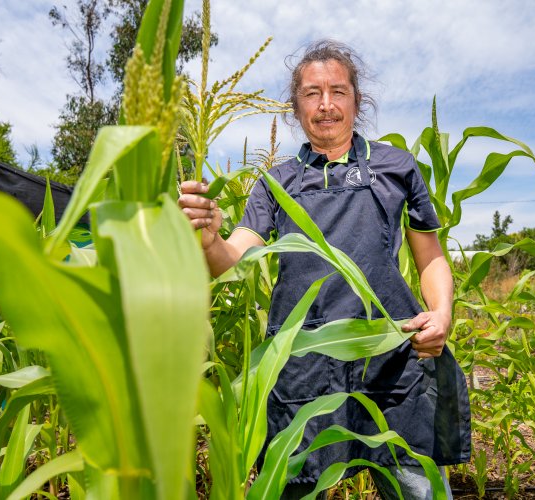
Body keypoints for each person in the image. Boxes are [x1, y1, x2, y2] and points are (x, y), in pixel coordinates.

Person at [178, 40, 471, 499]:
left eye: (338, 91)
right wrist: (210, 235)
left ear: (357, 99)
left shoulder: (397, 168)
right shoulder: (277, 181)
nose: (327, 105)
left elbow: (429, 256)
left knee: (418, 488)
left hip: (390, 356)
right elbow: (230, 258)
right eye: (312, 93)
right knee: (292, 485)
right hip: (304, 364)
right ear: (296, 107)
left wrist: (442, 313)